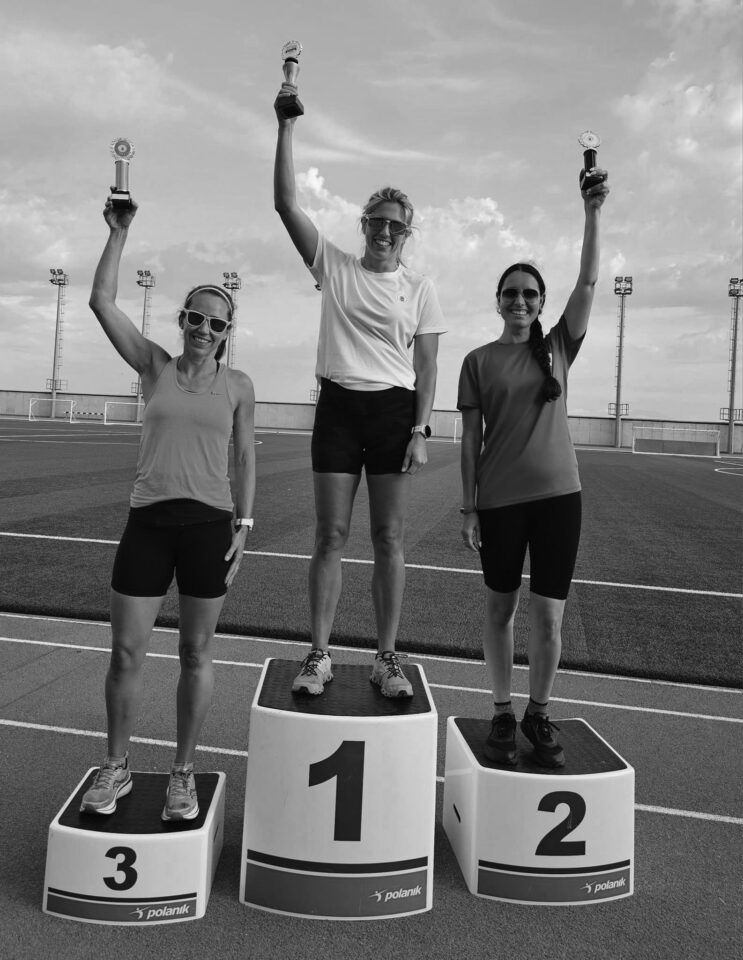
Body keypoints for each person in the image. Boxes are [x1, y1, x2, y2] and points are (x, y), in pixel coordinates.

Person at [81, 196, 256, 819]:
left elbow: (245, 457)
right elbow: (102, 301)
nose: (204, 329)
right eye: (196, 318)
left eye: (216, 324)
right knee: (126, 652)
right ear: (182, 320)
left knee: (195, 654)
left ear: (227, 334)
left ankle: (183, 773)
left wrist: (245, 525)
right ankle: (117, 766)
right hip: (149, 524)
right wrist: (118, 233)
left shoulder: (238, 387)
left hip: (208, 528)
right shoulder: (153, 365)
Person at [274, 88, 446, 698]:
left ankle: (386, 658)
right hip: (339, 408)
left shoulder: (421, 288)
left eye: (396, 225)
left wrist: (420, 430)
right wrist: (285, 127)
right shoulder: (335, 266)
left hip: (394, 413)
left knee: (389, 539)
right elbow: (285, 203)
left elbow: (427, 364)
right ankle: (319, 654)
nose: (385, 231)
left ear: (407, 233)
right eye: (377, 221)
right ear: (364, 225)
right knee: (329, 536)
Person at [458, 165, 610, 767]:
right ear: (498, 301)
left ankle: (538, 712)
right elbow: (470, 441)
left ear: (541, 303)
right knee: (500, 611)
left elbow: (589, 279)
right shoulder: (477, 361)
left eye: (529, 293)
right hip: (499, 502)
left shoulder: (558, 347)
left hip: (558, 500)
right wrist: (468, 507)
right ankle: (501, 710)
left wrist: (592, 212)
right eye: (510, 293)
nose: (519, 300)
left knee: (548, 617)